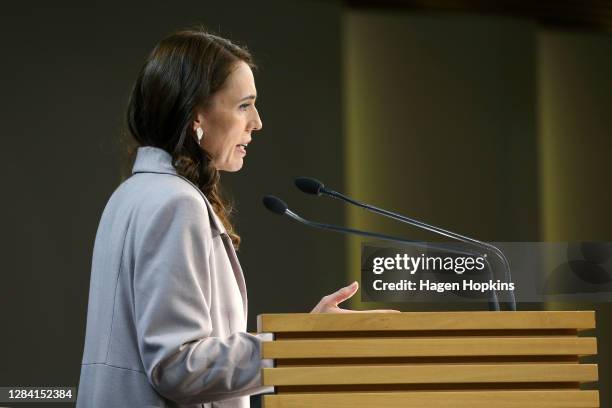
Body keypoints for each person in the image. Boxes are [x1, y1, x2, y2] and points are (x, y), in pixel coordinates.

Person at [76, 27, 393, 408]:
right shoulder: (176, 203)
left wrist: (307, 336)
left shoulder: (131, 194)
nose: (257, 122)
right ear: (197, 114)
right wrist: (305, 342)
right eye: (244, 105)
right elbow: (178, 366)